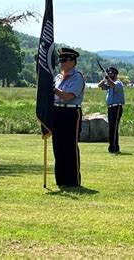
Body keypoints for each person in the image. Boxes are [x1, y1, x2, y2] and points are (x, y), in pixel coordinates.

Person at [52, 48, 85, 187]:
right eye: (60, 60)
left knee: (70, 146)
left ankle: (73, 180)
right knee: (58, 147)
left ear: (73, 61)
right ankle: (61, 180)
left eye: (65, 60)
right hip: (58, 112)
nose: (62, 63)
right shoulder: (58, 77)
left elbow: (68, 96)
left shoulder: (77, 77)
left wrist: (53, 89)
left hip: (71, 113)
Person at [98, 66, 125, 153]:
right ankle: (113, 146)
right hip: (110, 107)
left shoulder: (118, 83)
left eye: (111, 73)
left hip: (116, 107)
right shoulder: (109, 84)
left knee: (114, 127)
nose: (110, 75)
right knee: (111, 127)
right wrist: (104, 78)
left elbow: (113, 85)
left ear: (115, 74)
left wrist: (107, 78)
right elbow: (100, 85)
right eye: (109, 73)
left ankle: (113, 147)